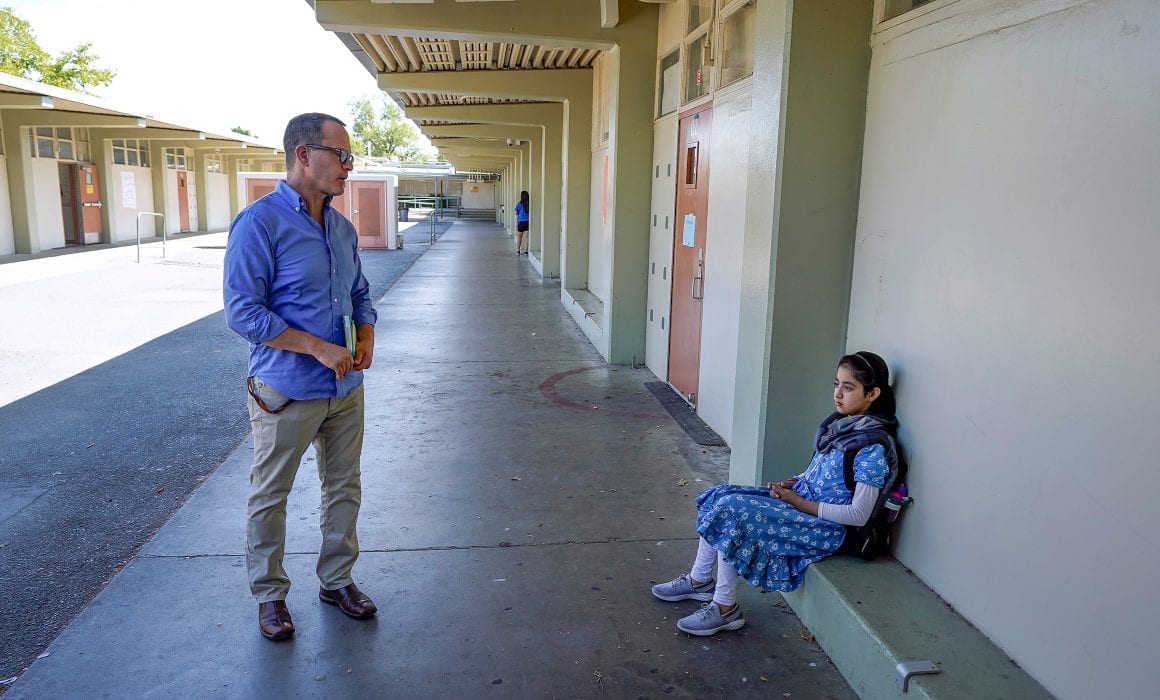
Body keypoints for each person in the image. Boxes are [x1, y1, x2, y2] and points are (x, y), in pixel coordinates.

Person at [224, 112, 379, 641]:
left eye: (349, 157)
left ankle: (336, 580)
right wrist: (316, 347)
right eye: (340, 155)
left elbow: (359, 292)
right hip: (285, 391)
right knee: (271, 494)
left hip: (345, 390)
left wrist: (366, 334)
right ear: (302, 154)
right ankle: (269, 596)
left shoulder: (341, 227)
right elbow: (243, 312)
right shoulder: (259, 223)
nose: (348, 167)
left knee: (344, 489)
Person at [651, 351, 900, 636]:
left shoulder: (871, 446)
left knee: (731, 510)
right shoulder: (843, 427)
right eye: (836, 384)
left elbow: (858, 515)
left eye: (848, 387)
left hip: (824, 527)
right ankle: (699, 581)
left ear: (873, 393)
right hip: (803, 505)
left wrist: (800, 502)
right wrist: (796, 482)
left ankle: (724, 608)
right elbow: (822, 474)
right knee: (718, 495)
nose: (838, 394)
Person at [514, 190, 530, 255]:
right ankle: (526, 251)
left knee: (519, 237)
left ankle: (518, 251)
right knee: (527, 237)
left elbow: (516, 212)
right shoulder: (529, 204)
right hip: (528, 222)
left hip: (521, 222)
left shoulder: (519, 204)